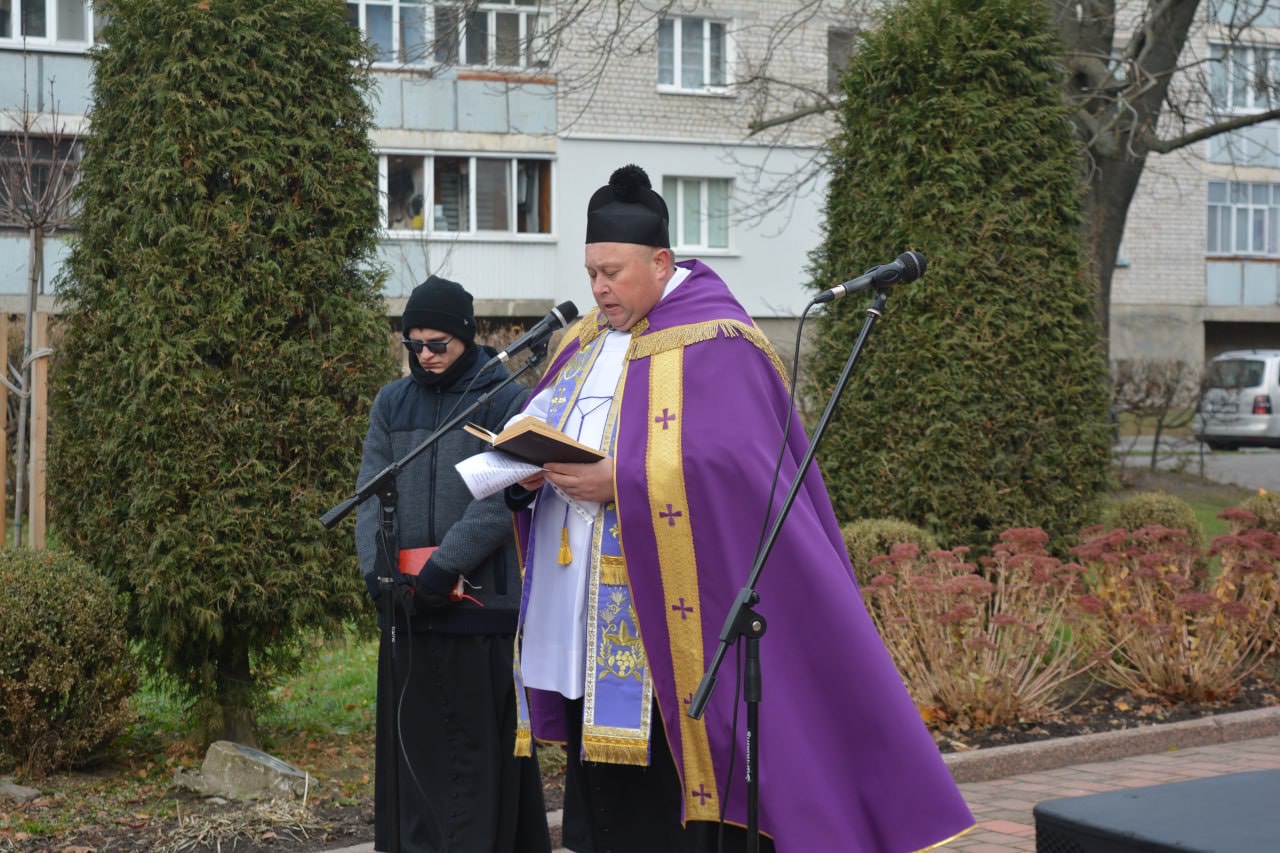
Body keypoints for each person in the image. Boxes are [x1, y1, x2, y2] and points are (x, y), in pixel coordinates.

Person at [505, 165, 975, 852]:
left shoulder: (721, 341)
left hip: (667, 623)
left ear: (661, 262)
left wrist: (625, 480)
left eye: (612, 272)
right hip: (581, 612)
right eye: (591, 272)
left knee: (661, 807)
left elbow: (739, 469)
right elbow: (540, 420)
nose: (598, 288)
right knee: (600, 803)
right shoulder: (580, 341)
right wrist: (521, 472)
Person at [356, 275, 551, 853]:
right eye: (413, 344)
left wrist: (447, 565)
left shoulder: (504, 394)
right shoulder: (392, 403)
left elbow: (504, 493)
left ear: (466, 337)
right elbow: (371, 492)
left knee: (475, 760)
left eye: (436, 344)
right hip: (410, 612)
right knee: (415, 757)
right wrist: (378, 572)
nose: (424, 356)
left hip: (478, 608)